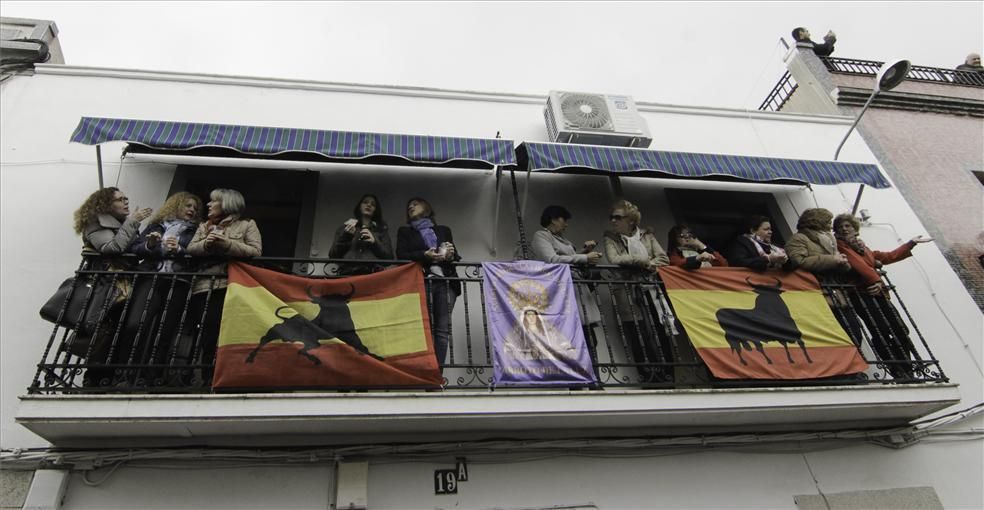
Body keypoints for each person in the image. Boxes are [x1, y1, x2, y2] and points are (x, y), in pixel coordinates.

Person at [833, 213, 932, 379]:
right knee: (881, 331)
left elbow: (886, 257)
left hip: (878, 294)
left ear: (855, 228)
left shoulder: (861, 247)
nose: (844, 229)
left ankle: (907, 368)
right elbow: (858, 265)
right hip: (862, 295)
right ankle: (896, 369)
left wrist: (911, 243)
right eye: (840, 227)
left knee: (900, 328)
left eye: (847, 225)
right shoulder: (840, 245)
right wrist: (877, 280)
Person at [72, 187, 153, 387]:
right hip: (107, 286)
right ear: (106, 204)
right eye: (120, 199)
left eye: (127, 198)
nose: (126, 202)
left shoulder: (122, 224)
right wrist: (134, 222)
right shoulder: (95, 224)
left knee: (120, 329)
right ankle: (95, 379)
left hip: (124, 285)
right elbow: (112, 248)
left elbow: (132, 251)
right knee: (103, 331)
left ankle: (112, 376)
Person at [186, 188, 262, 385]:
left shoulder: (246, 225)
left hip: (229, 285)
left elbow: (255, 251)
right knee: (201, 330)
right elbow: (191, 249)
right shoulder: (203, 226)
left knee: (218, 329)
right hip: (202, 286)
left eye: (214, 201)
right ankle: (195, 375)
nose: (209, 205)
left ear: (227, 204)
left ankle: (212, 376)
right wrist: (207, 244)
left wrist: (227, 244)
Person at [126, 191, 204, 385]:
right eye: (188, 206)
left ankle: (153, 376)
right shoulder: (156, 225)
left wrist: (179, 250)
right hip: (151, 278)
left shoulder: (196, 231)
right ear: (176, 205)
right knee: (136, 324)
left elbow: (199, 255)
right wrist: (151, 245)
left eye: (195, 208)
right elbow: (135, 248)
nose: (192, 210)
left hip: (178, 282)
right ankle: (126, 372)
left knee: (166, 329)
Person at [602, 199, 673, 383]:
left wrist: (650, 263)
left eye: (617, 217)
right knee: (637, 332)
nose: (613, 221)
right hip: (628, 293)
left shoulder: (647, 236)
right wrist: (643, 261)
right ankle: (648, 376)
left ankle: (668, 375)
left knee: (659, 330)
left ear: (631, 220)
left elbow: (663, 259)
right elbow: (614, 259)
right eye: (612, 217)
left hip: (651, 290)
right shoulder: (611, 238)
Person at [396, 197, 460, 369]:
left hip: (445, 282)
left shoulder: (443, 230)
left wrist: (451, 254)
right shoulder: (405, 232)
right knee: (425, 330)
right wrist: (425, 254)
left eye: (415, 204)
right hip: (422, 281)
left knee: (442, 331)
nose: (411, 206)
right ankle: (426, 372)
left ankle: (437, 375)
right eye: (409, 206)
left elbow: (454, 255)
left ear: (427, 208)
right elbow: (401, 255)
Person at [784, 208, 862, 343]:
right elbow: (798, 261)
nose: (830, 225)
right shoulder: (799, 238)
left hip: (837, 292)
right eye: (828, 221)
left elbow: (839, 262)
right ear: (818, 221)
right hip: (818, 292)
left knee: (855, 335)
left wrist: (843, 263)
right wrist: (832, 260)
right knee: (836, 338)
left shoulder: (829, 239)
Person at [328, 194, 393, 275]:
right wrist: (346, 237)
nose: (369, 205)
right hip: (347, 274)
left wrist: (374, 243)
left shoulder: (381, 231)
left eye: (373, 204)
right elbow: (333, 256)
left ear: (376, 210)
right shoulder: (344, 228)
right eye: (365, 202)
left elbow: (389, 259)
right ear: (359, 206)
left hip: (372, 276)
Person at [530, 205, 603, 265]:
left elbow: (570, 257)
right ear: (554, 220)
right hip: (557, 279)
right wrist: (585, 257)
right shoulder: (541, 236)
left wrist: (586, 251)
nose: (566, 225)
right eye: (564, 220)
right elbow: (552, 259)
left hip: (573, 277)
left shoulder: (562, 239)